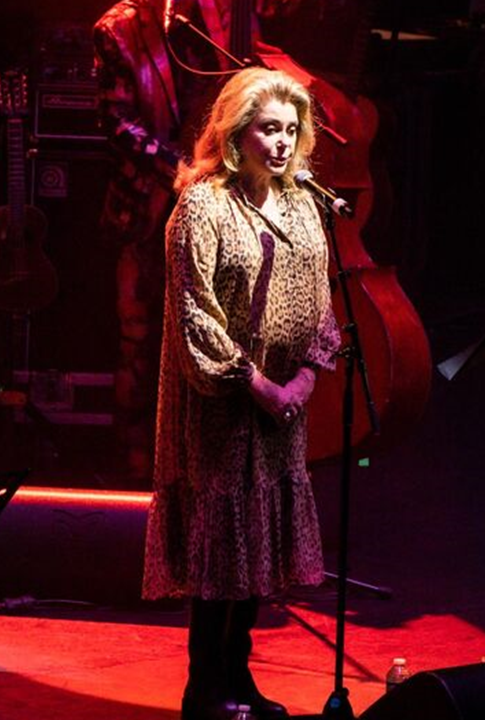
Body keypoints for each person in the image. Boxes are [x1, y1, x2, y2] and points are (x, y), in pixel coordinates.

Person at [143, 66, 340, 720]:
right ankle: (204, 689)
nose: (282, 143)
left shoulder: (303, 204)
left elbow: (321, 307)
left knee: (256, 547)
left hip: (281, 404)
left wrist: (306, 378)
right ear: (236, 132)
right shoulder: (201, 205)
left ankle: (239, 678)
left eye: (291, 130)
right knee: (221, 549)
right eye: (268, 129)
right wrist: (253, 384)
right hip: (221, 405)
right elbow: (194, 313)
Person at [92, 0, 250, 485]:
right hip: (148, 208)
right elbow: (116, 122)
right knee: (139, 341)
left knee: (212, 341)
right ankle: (136, 472)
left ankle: (202, 466)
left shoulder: (225, 16)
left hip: (217, 211)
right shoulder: (118, 28)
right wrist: (178, 170)